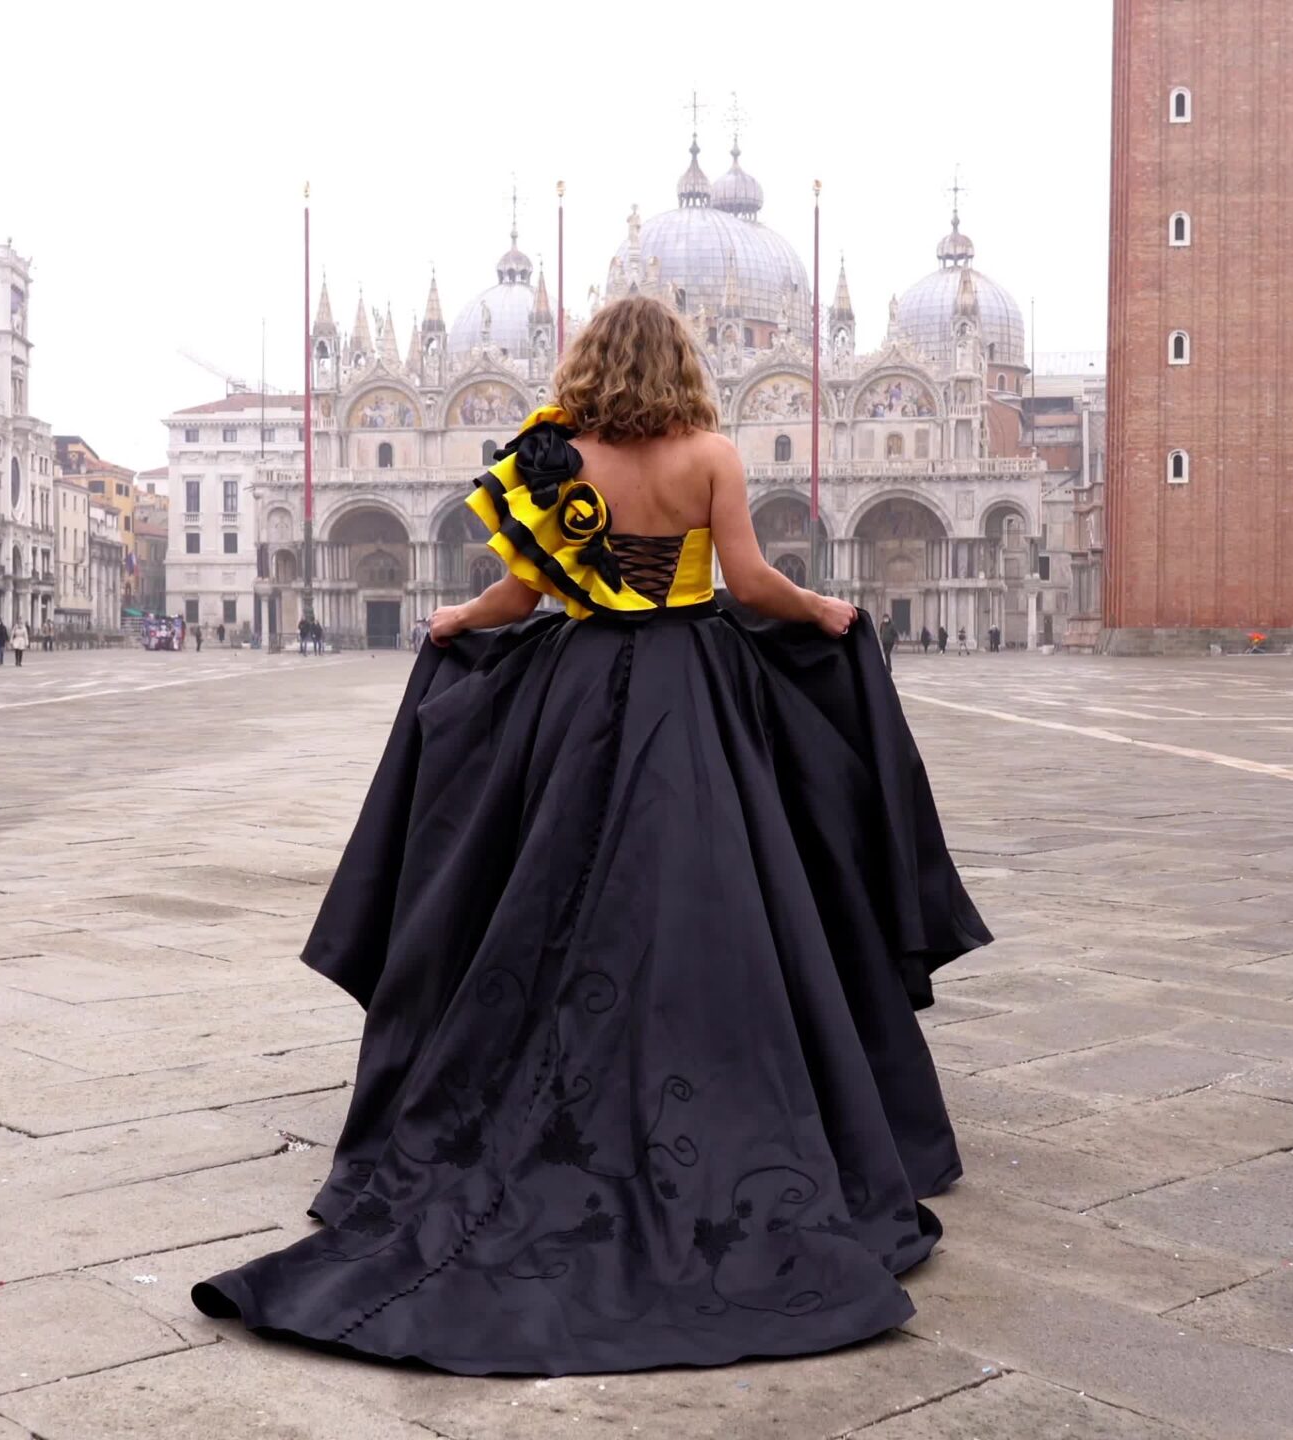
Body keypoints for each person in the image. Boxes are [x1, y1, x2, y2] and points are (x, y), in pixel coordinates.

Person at [192, 295, 988, 1377]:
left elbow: (521, 593)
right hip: (691, 691)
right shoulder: (710, 450)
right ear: (685, 366)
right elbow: (749, 584)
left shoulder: (554, 457)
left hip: (575, 692)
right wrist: (823, 612)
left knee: (545, 894)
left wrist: (456, 623)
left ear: (590, 365)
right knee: (714, 896)